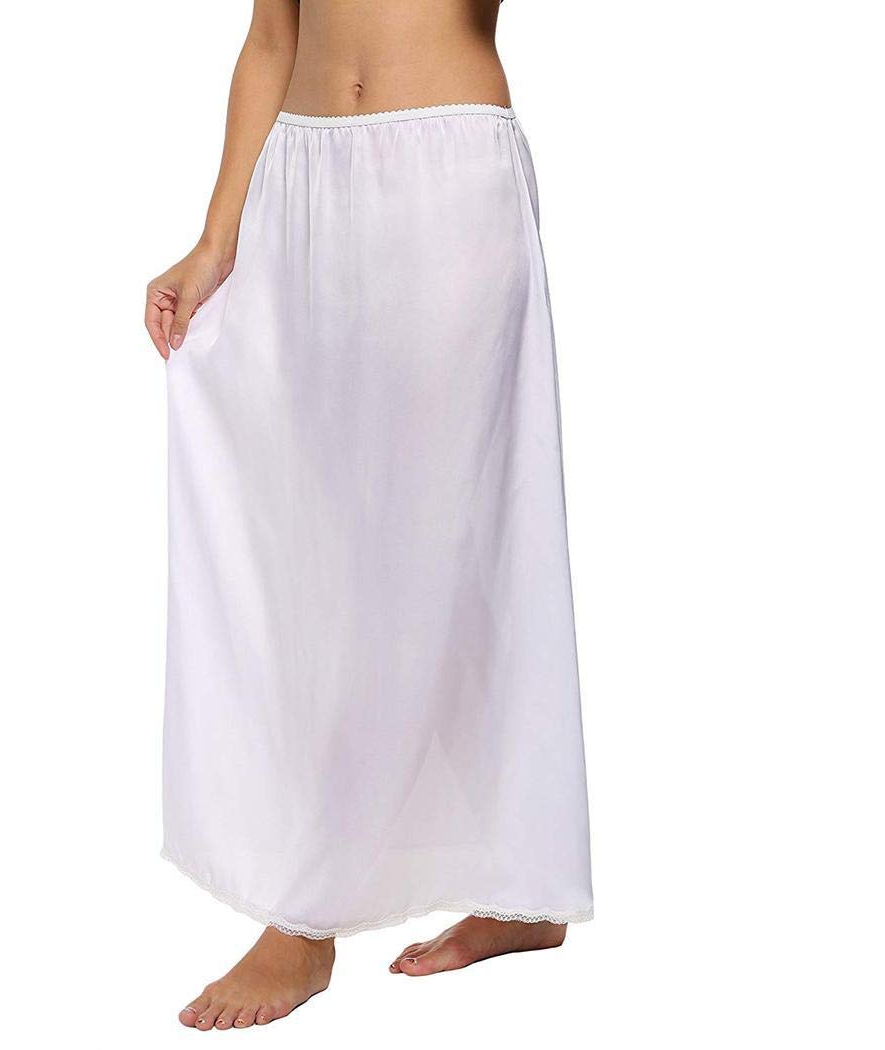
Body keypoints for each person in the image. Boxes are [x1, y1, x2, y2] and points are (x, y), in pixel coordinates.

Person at [145, 0, 592, 1030]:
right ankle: (522, 885)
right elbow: (272, 36)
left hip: (446, 173)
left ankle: (306, 919)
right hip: (297, 181)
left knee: (429, 549)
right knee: (315, 546)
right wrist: (216, 239)